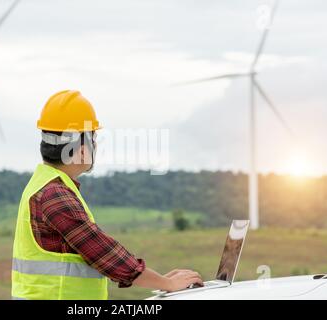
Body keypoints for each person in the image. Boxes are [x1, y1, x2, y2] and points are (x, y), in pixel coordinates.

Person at [11, 90, 203, 299]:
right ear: (81, 148)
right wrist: (166, 283)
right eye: (93, 138)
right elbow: (105, 254)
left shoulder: (43, 185)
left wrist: (162, 281)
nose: (95, 146)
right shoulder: (55, 195)